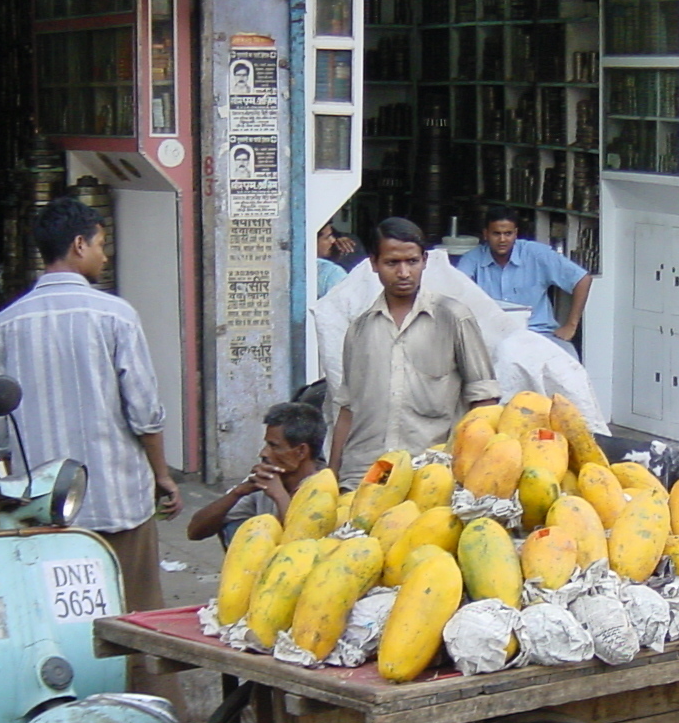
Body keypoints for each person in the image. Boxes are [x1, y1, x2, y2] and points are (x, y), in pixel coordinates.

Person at [0, 198, 181, 614]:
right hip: (117, 502)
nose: (104, 255)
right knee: (136, 619)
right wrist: (162, 476)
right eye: (101, 244)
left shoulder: (4, 325)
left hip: (40, 511)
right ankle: (140, 682)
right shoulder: (116, 316)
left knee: (53, 617)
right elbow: (145, 413)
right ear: (78, 245)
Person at [328, 218, 499, 488]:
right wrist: (332, 475)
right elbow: (348, 410)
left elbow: (484, 403)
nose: (404, 273)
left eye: (412, 261)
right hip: (363, 474)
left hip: (431, 473)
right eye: (392, 263)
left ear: (425, 261)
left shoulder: (454, 319)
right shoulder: (359, 330)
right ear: (373, 264)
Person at [186, 401, 324, 545]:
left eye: (274, 446)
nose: (263, 453)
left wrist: (279, 496)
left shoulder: (324, 488)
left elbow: (301, 544)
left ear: (301, 451)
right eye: (266, 445)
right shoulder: (265, 482)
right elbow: (195, 532)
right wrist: (237, 492)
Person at [455, 207, 592, 351]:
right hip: (491, 337)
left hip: (538, 334)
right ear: (486, 234)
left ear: (516, 234)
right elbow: (456, 290)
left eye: (508, 234)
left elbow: (582, 279)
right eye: (496, 234)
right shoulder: (473, 258)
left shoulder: (536, 253)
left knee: (569, 364)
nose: (502, 239)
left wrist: (571, 325)